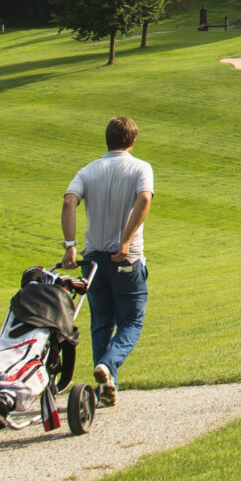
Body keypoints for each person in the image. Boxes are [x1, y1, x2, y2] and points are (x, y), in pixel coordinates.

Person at [61, 114, 154, 403]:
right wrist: (125, 240)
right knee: (132, 321)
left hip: (93, 260)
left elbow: (69, 201)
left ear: (107, 139)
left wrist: (70, 246)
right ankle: (107, 365)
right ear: (133, 141)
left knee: (101, 321)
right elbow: (144, 199)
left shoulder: (88, 170)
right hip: (126, 258)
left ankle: (105, 388)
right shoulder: (140, 168)